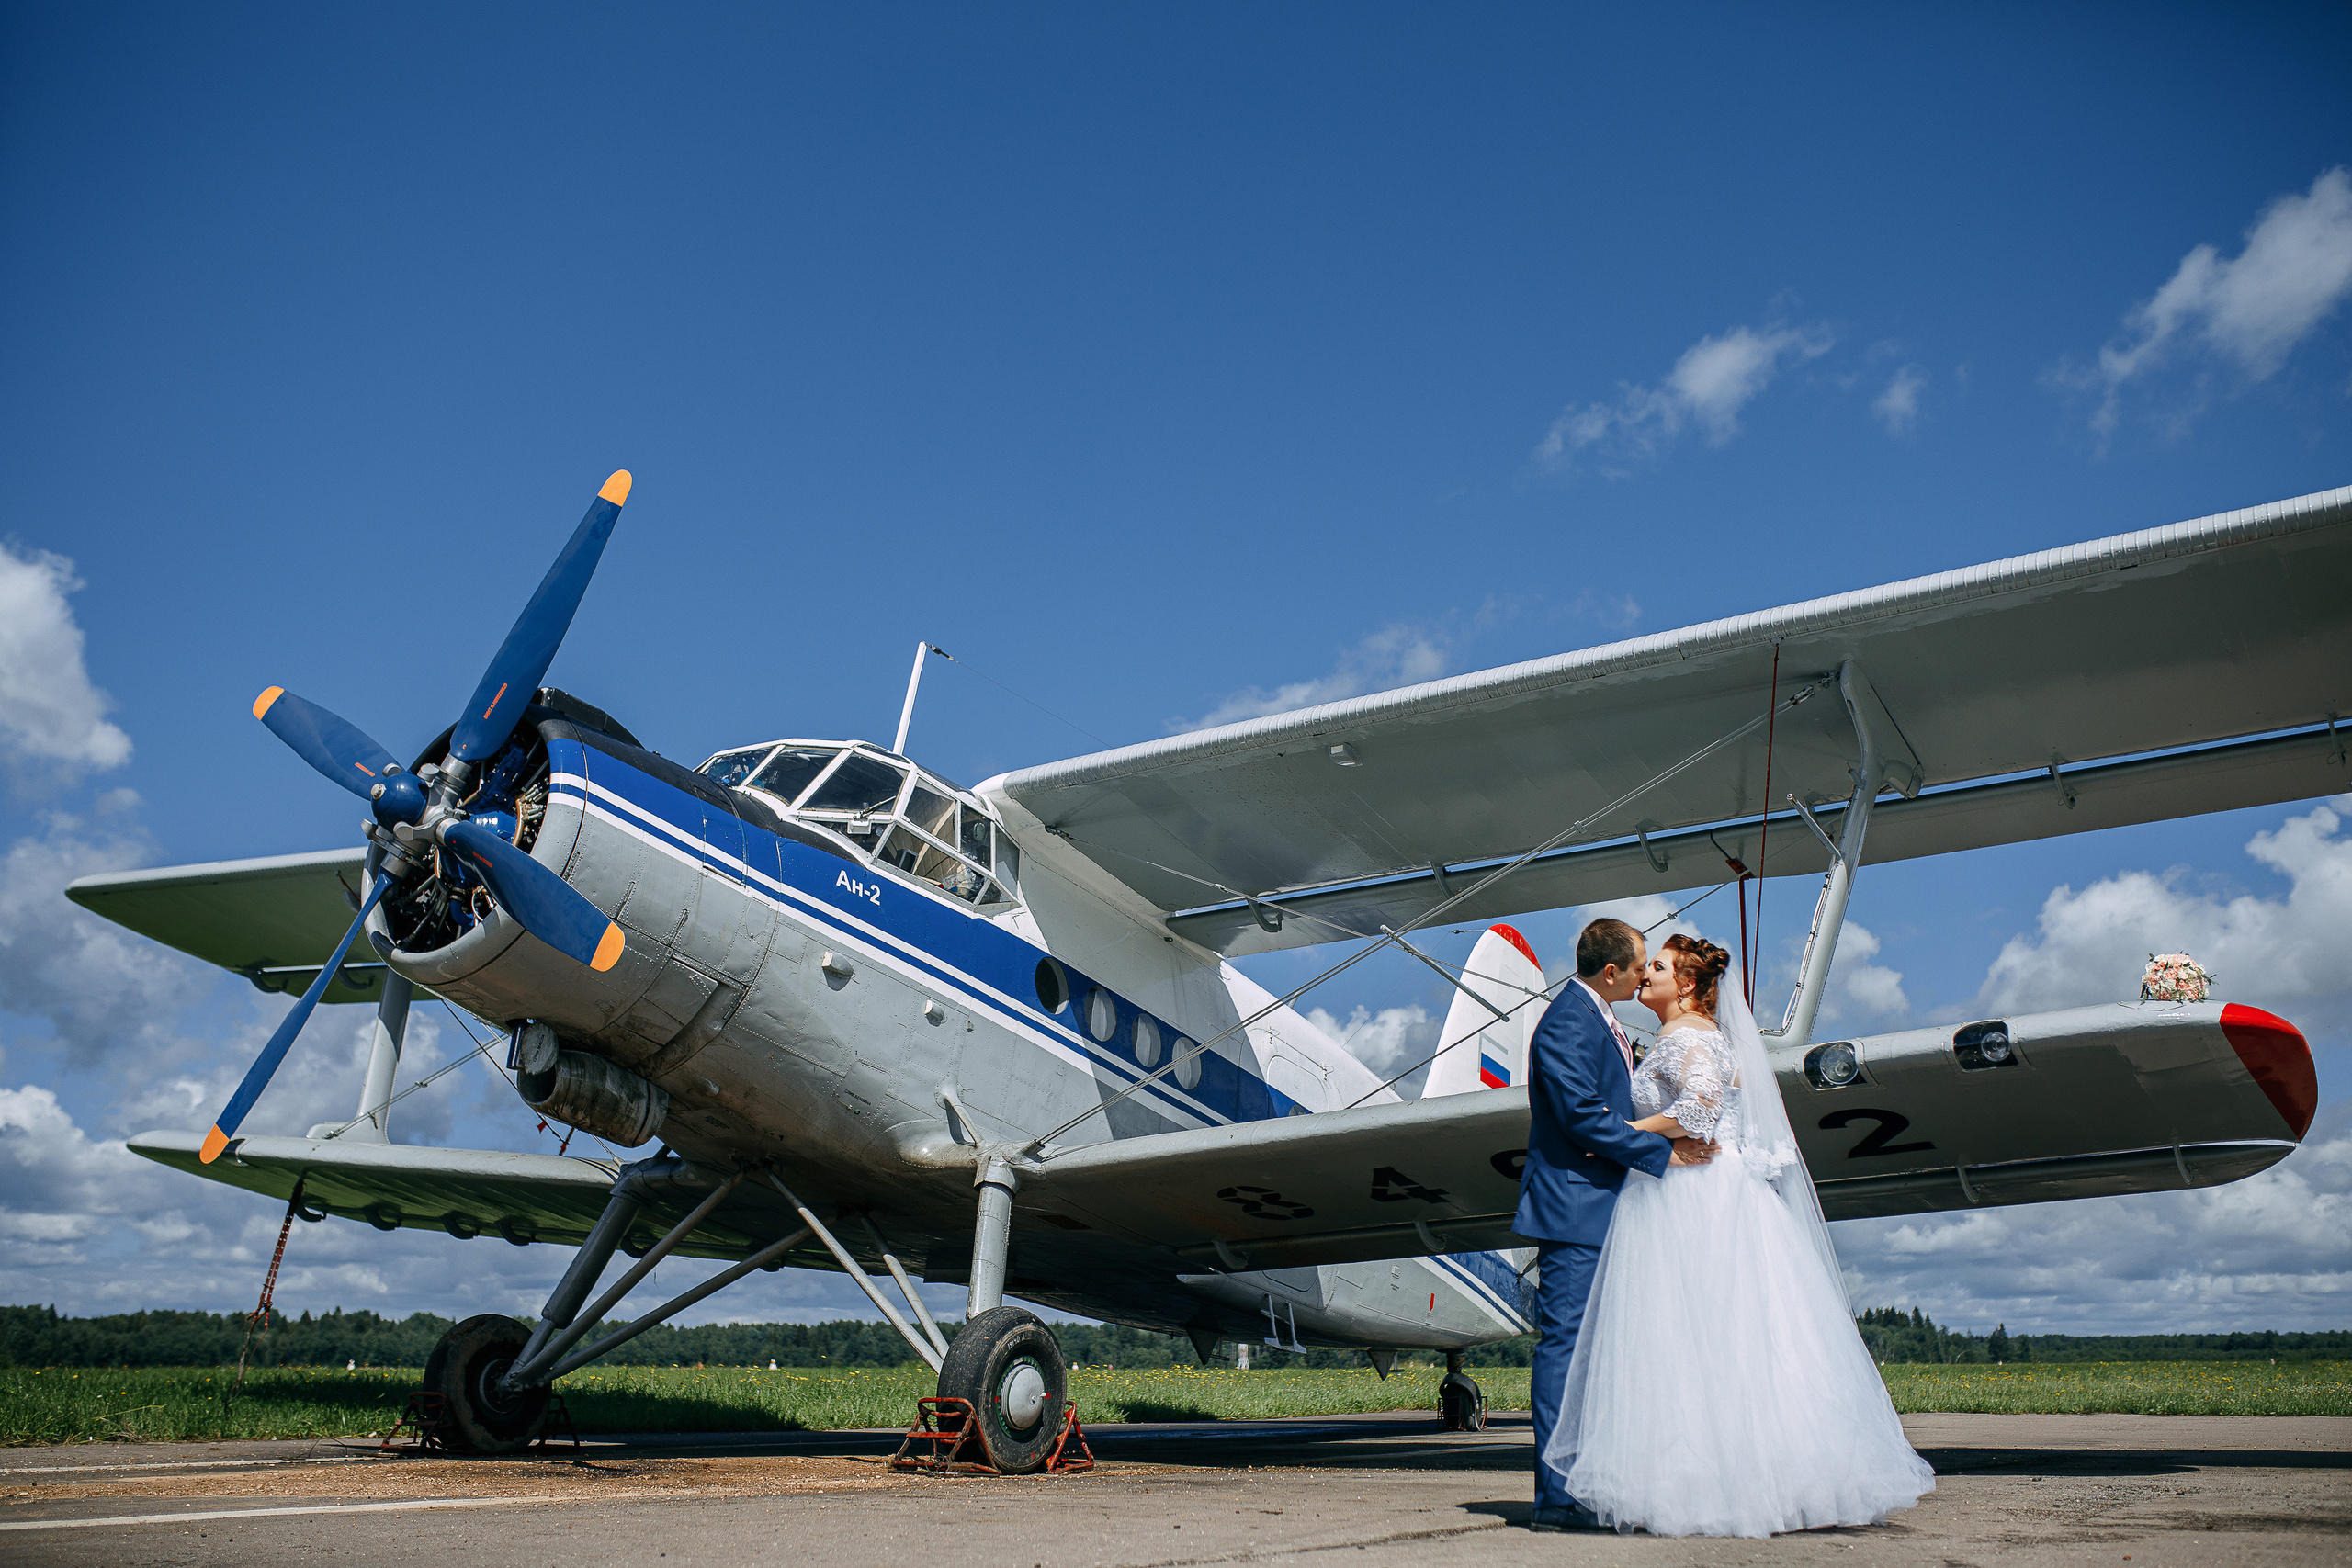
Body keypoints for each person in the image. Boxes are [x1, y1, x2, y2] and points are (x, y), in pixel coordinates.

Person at [1543, 934, 1937, 1537]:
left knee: (1701, 1334)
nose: (1645, 974)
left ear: (1688, 984)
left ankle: (1716, 1482)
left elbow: (1700, 1110)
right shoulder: (1686, 1036)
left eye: (1658, 966)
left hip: (1696, 1193)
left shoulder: (1691, 1036)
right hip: (1686, 1186)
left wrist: (1620, 1131)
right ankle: (1711, 1478)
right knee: (1696, 1339)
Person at [1514, 918, 1713, 1532]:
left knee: (1600, 1352)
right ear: (1611, 972)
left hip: (1606, 1205)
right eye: (1639, 965)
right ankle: (1557, 1497)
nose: (1644, 973)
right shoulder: (1568, 1022)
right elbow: (1581, 1116)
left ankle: (1591, 1482)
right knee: (1567, 1347)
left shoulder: (1597, 1016)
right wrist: (1661, 1152)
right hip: (1576, 1209)